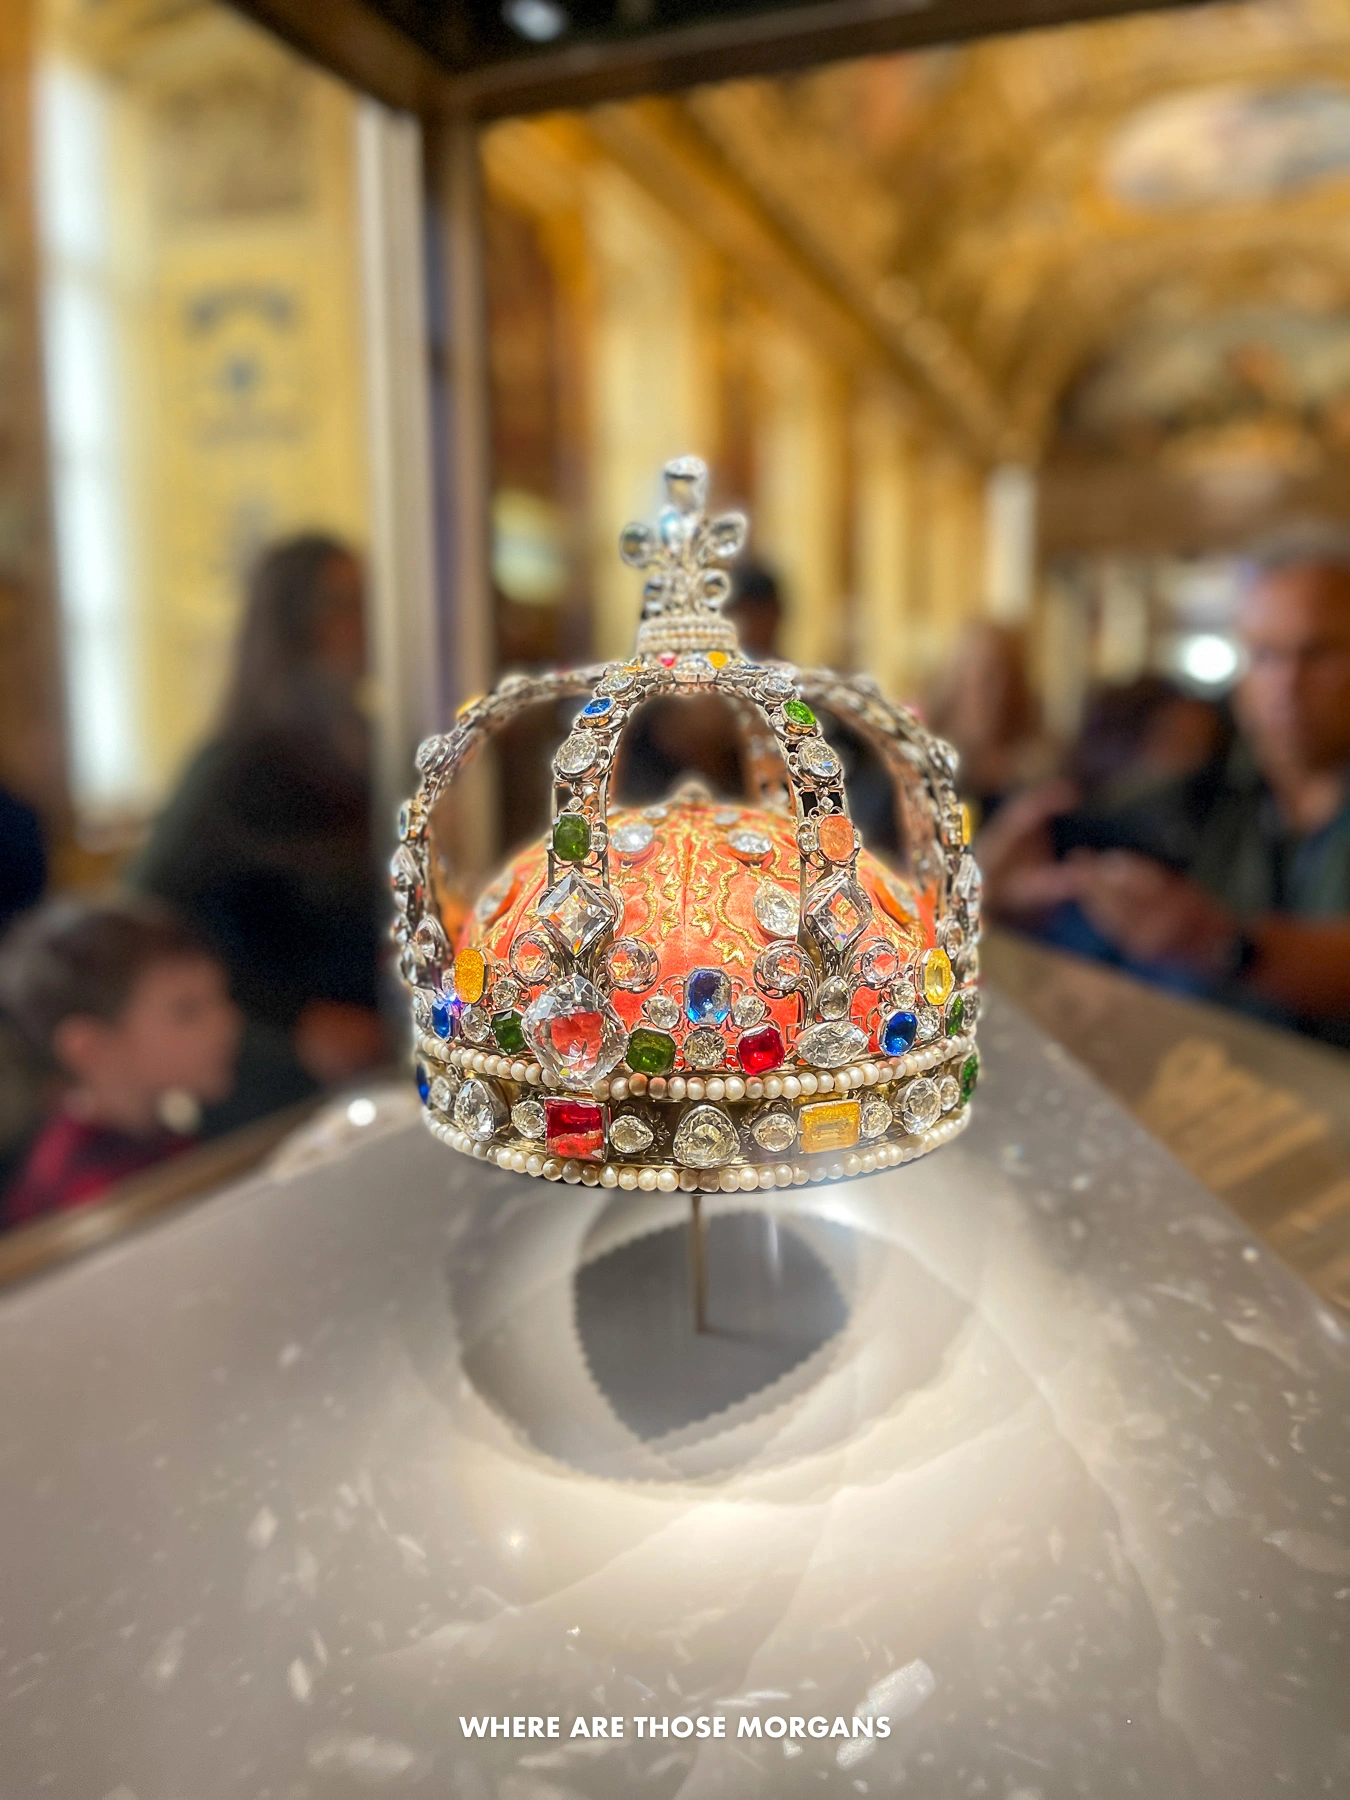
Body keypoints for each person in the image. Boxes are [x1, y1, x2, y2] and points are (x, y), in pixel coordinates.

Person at [979, 551, 1350, 1047]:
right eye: (1265, 655)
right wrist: (1009, 899)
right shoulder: (1205, 788)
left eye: (1319, 653)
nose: (1287, 683)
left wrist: (1225, 945)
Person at [131, 535, 389, 1116]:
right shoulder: (240, 768)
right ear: (292, 621)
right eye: (341, 602)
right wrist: (295, 1020)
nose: (363, 620)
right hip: (279, 1087)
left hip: (383, 1058)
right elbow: (152, 919)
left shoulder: (375, 741)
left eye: (368, 598)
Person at [0, 896, 241, 1226]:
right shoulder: (88, 1193)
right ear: (90, 1048)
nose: (226, 1022)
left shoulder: (158, 1130)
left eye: (220, 998)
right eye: (188, 1011)